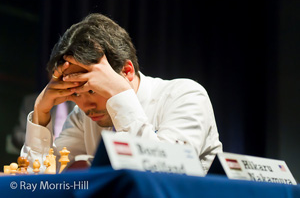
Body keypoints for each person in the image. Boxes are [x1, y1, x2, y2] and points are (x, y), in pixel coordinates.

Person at [21, 13, 222, 173]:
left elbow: (163, 176)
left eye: (91, 90)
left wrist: (121, 94)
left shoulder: (185, 95)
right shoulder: (82, 118)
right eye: (74, 94)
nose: (85, 106)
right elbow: (40, 183)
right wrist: (40, 113)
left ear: (126, 71)